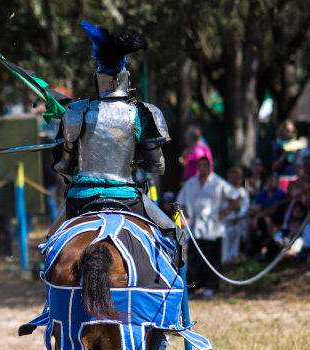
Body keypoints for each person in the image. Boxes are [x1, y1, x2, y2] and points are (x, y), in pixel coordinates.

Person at [51, 22, 182, 262]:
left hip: (81, 199)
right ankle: (178, 297)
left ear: (97, 78)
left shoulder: (77, 112)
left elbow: (63, 165)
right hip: (126, 197)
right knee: (174, 235)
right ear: (125, 77)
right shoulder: (142, 113)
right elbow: (158, 166)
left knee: (50, 245)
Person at [176, 158, 240, 297]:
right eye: (200, 166)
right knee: (194, 259)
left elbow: (236, 197)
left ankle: (211, 287)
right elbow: (180, 202)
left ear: (210, 167)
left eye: (205, 165)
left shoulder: (218, 182)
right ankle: (194, 287)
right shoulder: (191, 183)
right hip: (195, 228)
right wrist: (184, 216)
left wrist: (226, 212)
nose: (202, 168)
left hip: (213, 228)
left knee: (212, 259)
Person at [222, 166, 250, 262]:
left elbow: (245, 207)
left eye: (237, 178)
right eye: (232, 177)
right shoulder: (224, 191)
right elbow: (222, 206)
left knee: (237, 237)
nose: (235, 180)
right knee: (225, 239)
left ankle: (235, 256)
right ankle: (225, 259)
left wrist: (237, 217)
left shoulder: (243, 192)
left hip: (239, 221)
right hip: (226, 221)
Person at [270, 119, 306, 185]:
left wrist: (297, 153)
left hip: (294, 179)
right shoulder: (276, 144)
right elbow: (274, 167)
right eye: (287, 130)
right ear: (282, 130)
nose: (289, 133)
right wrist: (285, 153)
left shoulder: (296, 145)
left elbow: (299, 166)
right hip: (281, 179)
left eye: (291, 131)